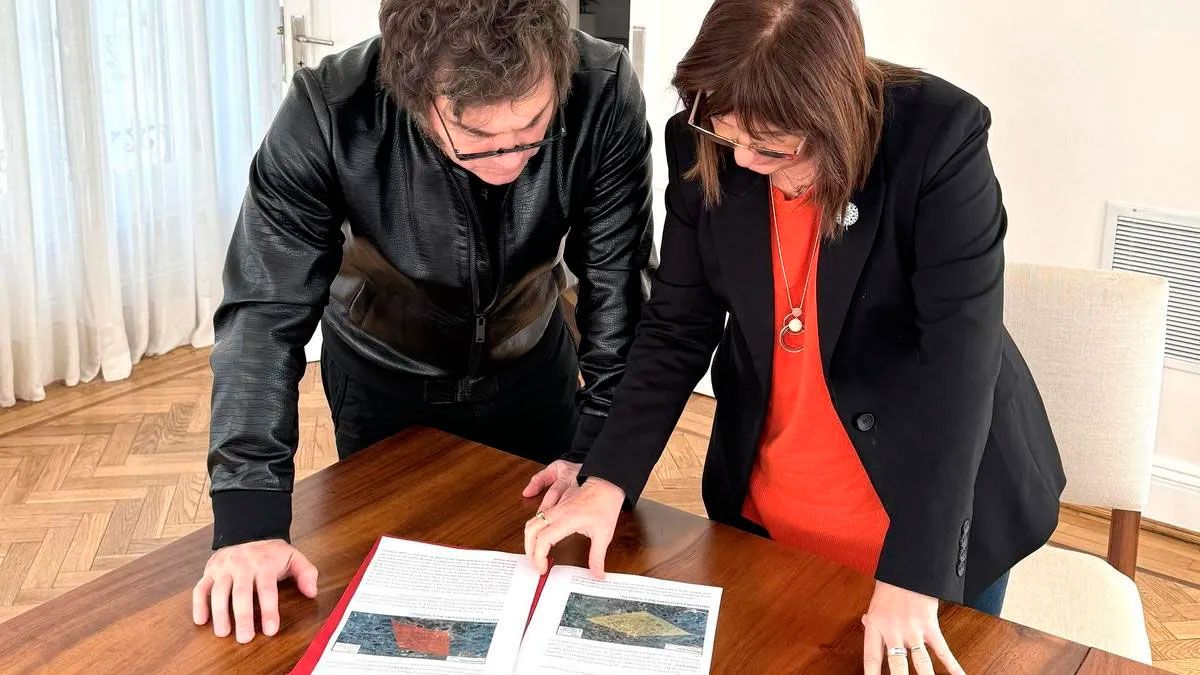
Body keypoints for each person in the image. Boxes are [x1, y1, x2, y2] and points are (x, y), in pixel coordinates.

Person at [522, 1, 1066, 673]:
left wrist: (916, 571)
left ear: (832, 115)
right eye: (729, 135)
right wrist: (607, 476)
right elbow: (676, 326)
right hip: (769, 508)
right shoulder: (702, 141)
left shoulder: (938, 136)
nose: (744, 161)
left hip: (927, 511)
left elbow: (960, 365)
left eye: (773, 147)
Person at [192, 0, 654, 644]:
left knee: (548, 587)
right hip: (382, 380)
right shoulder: (329, 109)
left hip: (533, 367)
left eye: (532, 130)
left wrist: (598, 452)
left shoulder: (601, 89)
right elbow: (263, 312)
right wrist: (249, 519)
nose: (509, 161)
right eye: (476, 137)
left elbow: (616, 285)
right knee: (401, 607)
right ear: (412, 94)